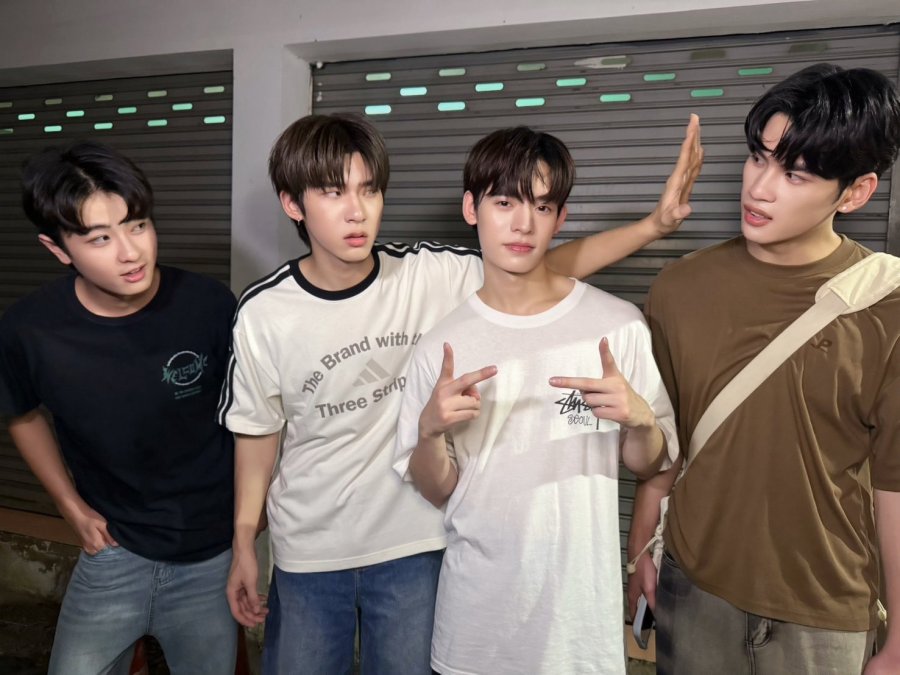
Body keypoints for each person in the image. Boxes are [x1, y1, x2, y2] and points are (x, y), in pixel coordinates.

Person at [218, 112, 701, 674]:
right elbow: (258, 433)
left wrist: (654, 227)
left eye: (369, 190)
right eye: (333, 192)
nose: (356, 211)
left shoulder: (428, 273)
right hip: (310, 547)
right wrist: (244, 539)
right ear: (292, 204)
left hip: (413, 544)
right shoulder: (266, 311)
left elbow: (540, 265)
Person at [626, 63, 900, 675]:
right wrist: (641, 549)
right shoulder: (680, 288)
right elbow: (666, 434)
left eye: (794, 174)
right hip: (693, 587)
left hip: (825, 610)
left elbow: (895, 486)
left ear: (856, 192)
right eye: (758, 158)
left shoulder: (887, 305)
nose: (759, 188)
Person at [393, 125, 680, 674]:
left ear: (560, 217)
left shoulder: (617, 325)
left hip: (580, 629)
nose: (524, 224)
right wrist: (429, 432)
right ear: (472, 209)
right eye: (505, 203)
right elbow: (437, 489)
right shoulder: (440, 345)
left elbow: (651, 464)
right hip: (474, 624)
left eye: (542, 206)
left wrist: (642, 422)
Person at [0, 141, 238, 674]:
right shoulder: (29, 329)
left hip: (210, 551)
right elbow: (22, 411)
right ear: (58, 249)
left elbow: (251, 417)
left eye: (138, 226)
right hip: (112, 551)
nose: (131, 252)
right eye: (100, 238)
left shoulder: (208, 304)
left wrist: (248, 525)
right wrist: (69, 505)